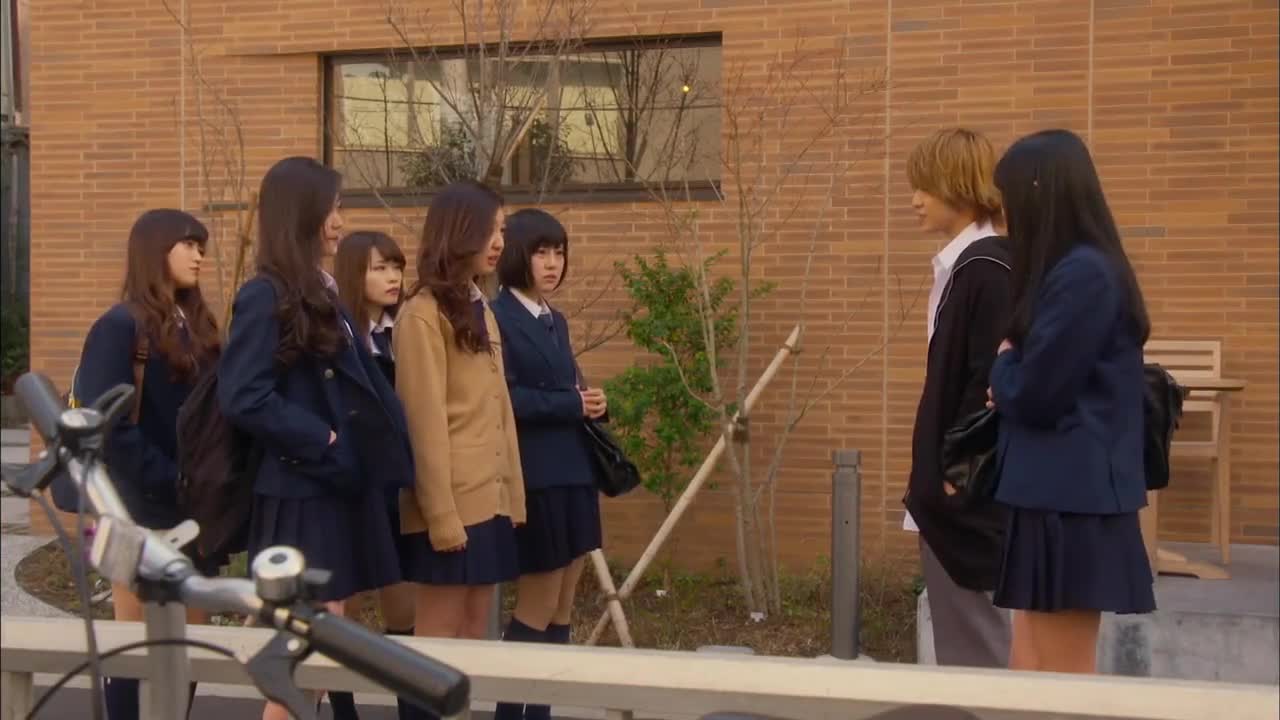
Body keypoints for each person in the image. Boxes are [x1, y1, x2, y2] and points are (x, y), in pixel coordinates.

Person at [217, 157, 415, 720]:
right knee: (301, 650)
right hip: (301, 489)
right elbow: (243, 395)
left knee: (321, 639)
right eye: (332, 209)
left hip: (332, 486)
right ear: (302, 214)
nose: (340, 222)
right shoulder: (267, 294)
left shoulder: (320, 289)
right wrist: (322, 439)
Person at [988, 128, 1156, 673]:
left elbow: (1037, 391)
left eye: (1010, 197)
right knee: (1030, 666)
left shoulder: (1084, 274)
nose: (1005, 214)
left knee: (1060, 676)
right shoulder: (1076, 270)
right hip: (1055, 491)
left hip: (1072, 497)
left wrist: (1004, 365)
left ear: (1041, 194)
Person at [75, 208, 220, 720]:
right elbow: (107, 426)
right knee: (136, 648)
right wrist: (171, 479)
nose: (199, 256)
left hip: (193, 510)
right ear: (155, 250)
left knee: (189, 646)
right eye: (188, 245)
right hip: (133, 509)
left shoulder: (198, 326)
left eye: (202, 247)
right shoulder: (119, 326)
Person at [394, 180, 525, 718]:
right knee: (436, 646)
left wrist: (513, 497)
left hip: (489, 499)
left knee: (475, 634)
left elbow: (500, 412)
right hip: (448, 505)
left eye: (502, 231)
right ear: (460, 231)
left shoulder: (482, 308)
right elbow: (422, 422)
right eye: (490, 230)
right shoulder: (422, 313)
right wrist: (440, 514)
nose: (499, 242)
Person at [900, 128, 1013, 668]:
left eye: (925, 187)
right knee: (966, 646)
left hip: (966, 500)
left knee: (975, 654)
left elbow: (987, 380)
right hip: (955, 492)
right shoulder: (966, 265)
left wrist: (954, 474)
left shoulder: (985, 267)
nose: (914, 200)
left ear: (959, 187)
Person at [490, 209, 606, 720]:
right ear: (516, 254)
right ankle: (510, 713)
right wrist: (568, 404)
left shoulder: (554, 319)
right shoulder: (496, 316)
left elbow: (565, 389)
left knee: (563, 606)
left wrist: (590, 401)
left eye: (559, 252)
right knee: (536, 604)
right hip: (536, 476)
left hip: (575, 470)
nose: (553, 263)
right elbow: (502, 398)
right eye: (541, 253)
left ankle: (541, 712)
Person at [328, 229, 417, 719]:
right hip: (352, 487)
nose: (392, 277)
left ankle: (412, 709)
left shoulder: (402, 331)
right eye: (379, 268)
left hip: (398, 488)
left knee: (404, 606)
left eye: (396, 266)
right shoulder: (337, 336)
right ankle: (344, 711)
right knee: (347, 606)